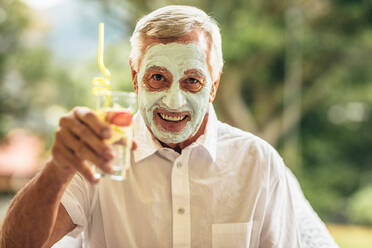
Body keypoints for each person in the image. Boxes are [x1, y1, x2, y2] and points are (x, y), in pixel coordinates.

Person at [0, 5, 338, 248]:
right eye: (157, 78)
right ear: (135, 80)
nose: (173, 102)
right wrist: (57, 169)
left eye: (192, 81)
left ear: (214, 85)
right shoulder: (101, 154)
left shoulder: (257, 162)